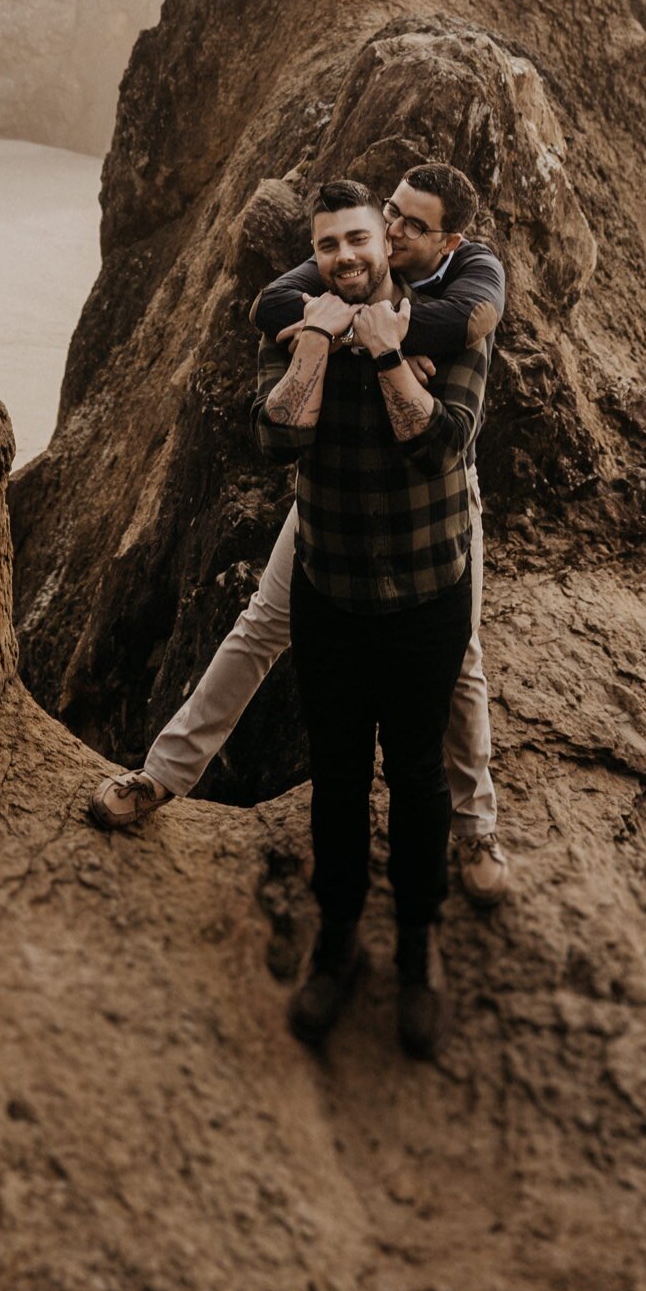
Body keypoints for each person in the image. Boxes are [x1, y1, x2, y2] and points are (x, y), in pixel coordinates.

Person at [89, 162, 513, 905]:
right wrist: (354, 326)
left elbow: (472, 320)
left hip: (435, 496)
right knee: (261, 625)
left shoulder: (473, 273)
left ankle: (476, 827)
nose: (393, 228)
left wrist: (391, 334)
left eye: (413, 223)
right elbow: (274, 301)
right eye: (392, 211)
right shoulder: (355, 253)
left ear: (449, 237)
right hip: (337, 495)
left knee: (462, 659)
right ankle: (160, 774)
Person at [252, 179, 489, 1055]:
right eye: (328, 247)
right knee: (340, 776)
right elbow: (276, 436)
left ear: (387, 243)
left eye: (359, 239)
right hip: (332, 593)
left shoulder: (444, 324)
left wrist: (389, 355)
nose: (346, 257)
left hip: (427, 593)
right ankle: (340, 937)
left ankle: (420, 947)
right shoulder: (302, 317)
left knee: (421, 777)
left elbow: (439, 445)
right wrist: (317, 343)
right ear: (314, 257)